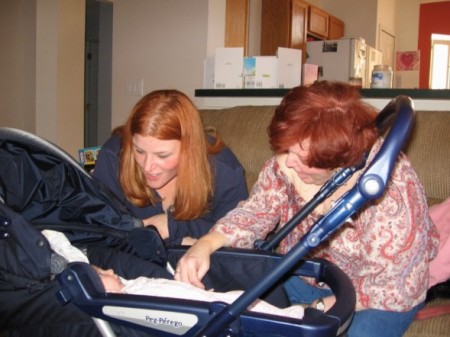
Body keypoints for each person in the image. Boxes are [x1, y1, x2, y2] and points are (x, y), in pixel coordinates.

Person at [175, 81, 440, 337]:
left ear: (337, 159)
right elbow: (255, 212)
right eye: (286, 149)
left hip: (376, 292)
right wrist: (206, 244)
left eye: (302, 158)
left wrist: (317, 308)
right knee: (235, 291)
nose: (288, 161)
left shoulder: (392, 191)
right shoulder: (288, 163)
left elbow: (393, 284)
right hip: (309, 275)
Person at [93, 89, 248, 247]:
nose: (147, 166)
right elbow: (96, 231)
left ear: (190, 149)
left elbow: (240, 234)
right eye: (139, 151)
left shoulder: (224, 169)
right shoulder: (114, 157)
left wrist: (172, 227)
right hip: (129, 265)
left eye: (162, 155)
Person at [94, 266, 305, 319]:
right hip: (208, 309)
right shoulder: (130, 301)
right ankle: (293, 318)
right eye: (103, 274)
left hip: (207, 298)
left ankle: (292, 316)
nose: (111, 270)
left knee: (244, 299)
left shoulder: (134, 283)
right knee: (246, 308)